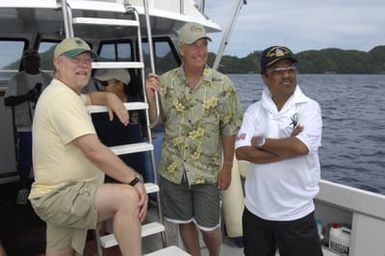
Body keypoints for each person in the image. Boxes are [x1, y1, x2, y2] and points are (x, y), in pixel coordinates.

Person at [28, 37, 148, 256]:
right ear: (57, 63)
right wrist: (133, 179)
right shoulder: (61, 98)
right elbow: (93, 150)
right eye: (75, 59)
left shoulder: (65, 93)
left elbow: (90, 98)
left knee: (59, 253)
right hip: (62, 195)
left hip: (60, 190)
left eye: (86, 60)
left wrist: (108, 97)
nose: (83, 65)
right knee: (128, 196)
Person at [145, 22, 242, 256]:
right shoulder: (165, 82)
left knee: (210, 227)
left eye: (203, 46)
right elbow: (156, 121)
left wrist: (227, 166)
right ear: (181, 49)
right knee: (183, 221)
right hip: (173, 168)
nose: (200, 51)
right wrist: (150, 97)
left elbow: (230, 129)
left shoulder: (223, 84)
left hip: (206, 170)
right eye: (193, 46)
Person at [235, 46, 323, 256]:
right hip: (256, 213)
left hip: (296, 214)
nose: (286, 74)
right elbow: (242, 153)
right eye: (278, 70)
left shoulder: (309, 107)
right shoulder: (254, 111)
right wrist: (287, 145)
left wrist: (261, 141)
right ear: (265, 77)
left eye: (290, 68)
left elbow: (301, 148)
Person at [4, 49, 52, 205]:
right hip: (26, 127)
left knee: (47, 159)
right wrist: (27, 96)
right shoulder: (17, 78)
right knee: (25, 161)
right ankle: (23, 190)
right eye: (29, 59)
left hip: (47, 127)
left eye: (35, 59)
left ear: (39, 61)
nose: (32, 61)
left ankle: (48, 190)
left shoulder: (47, 78)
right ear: (24, 62)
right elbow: (8, 100)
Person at [93, 69, 150, 182]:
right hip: (110, 167)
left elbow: (147, 127)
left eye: (105, 83)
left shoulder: (137, 105)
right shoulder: (96, 110)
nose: (101, 88)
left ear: (120, 84)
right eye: (99, 84)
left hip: (135, 163)